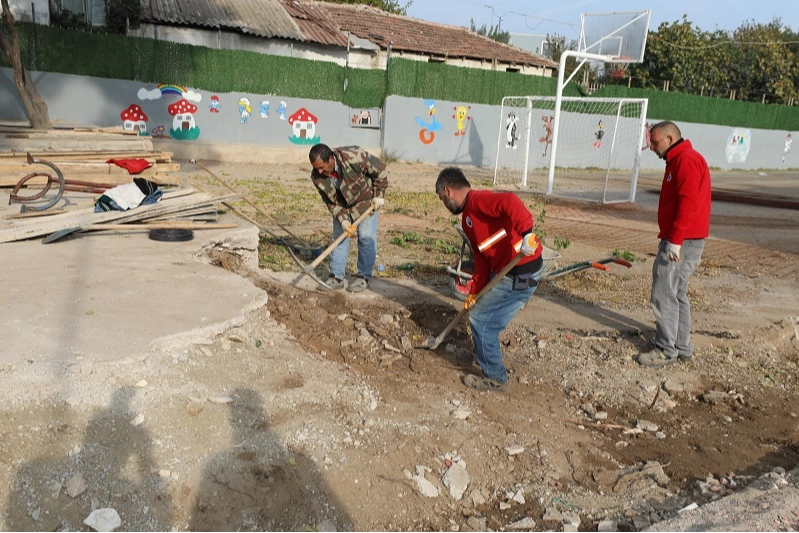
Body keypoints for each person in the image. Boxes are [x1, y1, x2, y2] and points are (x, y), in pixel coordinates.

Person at [435, 167, 544, 392]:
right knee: (479, 314)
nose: (444, 204)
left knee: (482, 321)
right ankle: (483, 354)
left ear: (448, 191)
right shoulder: (468, 220)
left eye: (441, 198)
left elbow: (510, 201)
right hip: (504, 272)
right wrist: (475, 290)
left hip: (521, 272)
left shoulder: (478, 200)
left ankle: (496, 378)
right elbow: (481, 258)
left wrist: (527, 233)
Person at [637, 121, 712, 368]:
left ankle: (665, 349)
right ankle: (681, 346)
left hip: (683, 241)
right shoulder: (678, 160)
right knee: (676, 292)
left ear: (670, 139)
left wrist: (676, 241)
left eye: (655, 142)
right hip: (683, 239)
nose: (652, 147)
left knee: (664, 292)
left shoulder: (686, 160)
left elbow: (688, 202)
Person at [309, 143, 388, 293]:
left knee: (365, 237)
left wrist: (379, 195)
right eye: (316, 167)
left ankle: (363, 277)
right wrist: (343, 220)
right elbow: (330, 202)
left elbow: (381, 169)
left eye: (321, 167)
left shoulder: (354, 157)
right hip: (342, 207)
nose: (319, 171)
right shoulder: (317, 177)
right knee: (339, 237)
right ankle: (336, 277)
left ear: (331, 159)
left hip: (365, 202)